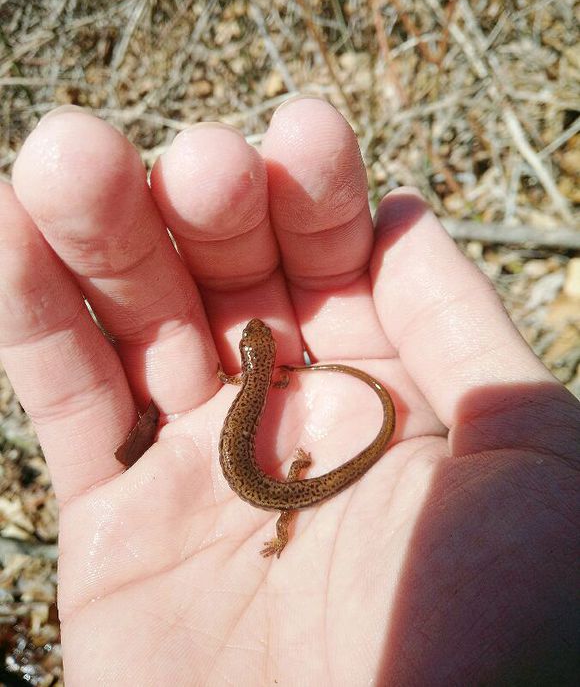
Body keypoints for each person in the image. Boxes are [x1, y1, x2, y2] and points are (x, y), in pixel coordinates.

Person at [0, 98, 577, 686]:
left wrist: (290, 487)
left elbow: (244, 394)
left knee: (286, 498)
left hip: (274, 490)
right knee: (287, 496)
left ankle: (296, 507)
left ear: (255, 364)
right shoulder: (262, 381)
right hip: (276, 488)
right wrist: (294, 463)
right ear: (267, 364)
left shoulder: (246, 383)